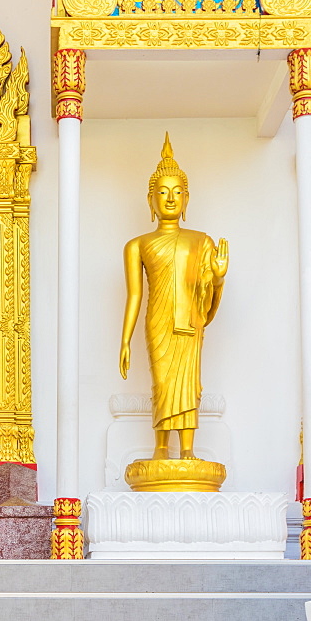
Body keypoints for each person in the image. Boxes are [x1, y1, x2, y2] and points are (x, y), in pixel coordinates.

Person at [119, 134, 228, 460]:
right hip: (159, 321)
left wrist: (219, 276)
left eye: (177, 192)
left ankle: (189, 452)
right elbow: (134, 295)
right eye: (162, 192)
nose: (170, 198)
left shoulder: (202, 241)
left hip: (190, 322)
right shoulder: (137, 244)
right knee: (163, 384)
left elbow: (208, 290)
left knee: (189, 383)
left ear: (187, 199)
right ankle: (162, 449)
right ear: (150, 200)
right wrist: (125, 341)